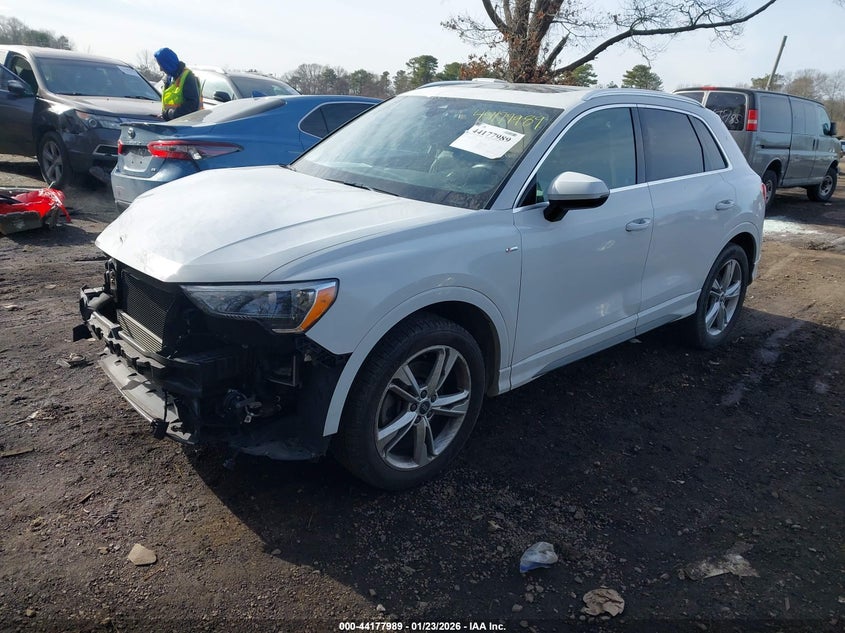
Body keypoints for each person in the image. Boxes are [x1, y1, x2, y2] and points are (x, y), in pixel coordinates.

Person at [153, 47, 200, 120]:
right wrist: (165, 115)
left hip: (184, 125)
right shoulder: (169, 78)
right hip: (172, 123)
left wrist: (169, 114)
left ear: (168, 63)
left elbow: (192, 105)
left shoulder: (188, 77)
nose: (160, 69)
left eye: (161, 65)